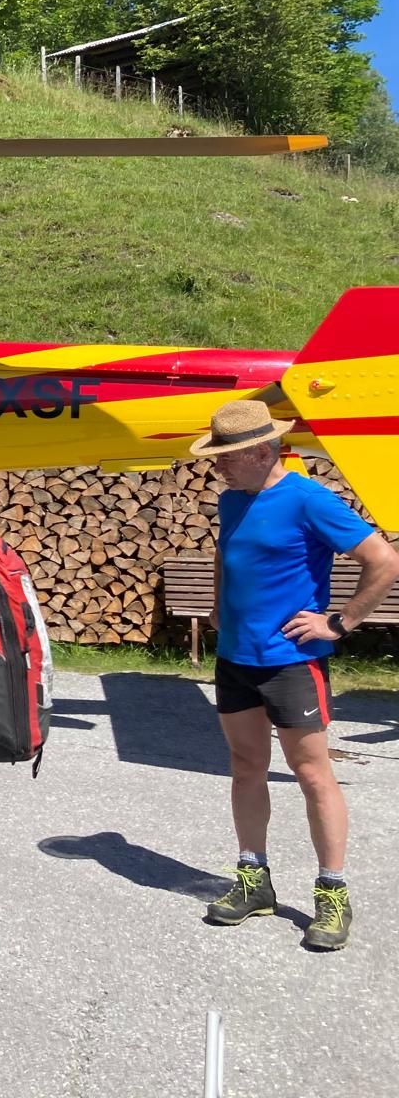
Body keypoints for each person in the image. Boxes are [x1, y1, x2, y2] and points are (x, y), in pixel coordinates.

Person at [192, 398, 399, 949]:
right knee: (245, 766)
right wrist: (218, 604)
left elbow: (384, 561)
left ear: (263, 451)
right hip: (235, 658)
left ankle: (332, 894)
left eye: (228, 456)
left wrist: (342, 621)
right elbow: (226, 555)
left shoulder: (309, 499)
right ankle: (253, 881)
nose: (219, 466)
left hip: (291, 663)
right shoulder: (233, 499)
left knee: (311, 774)